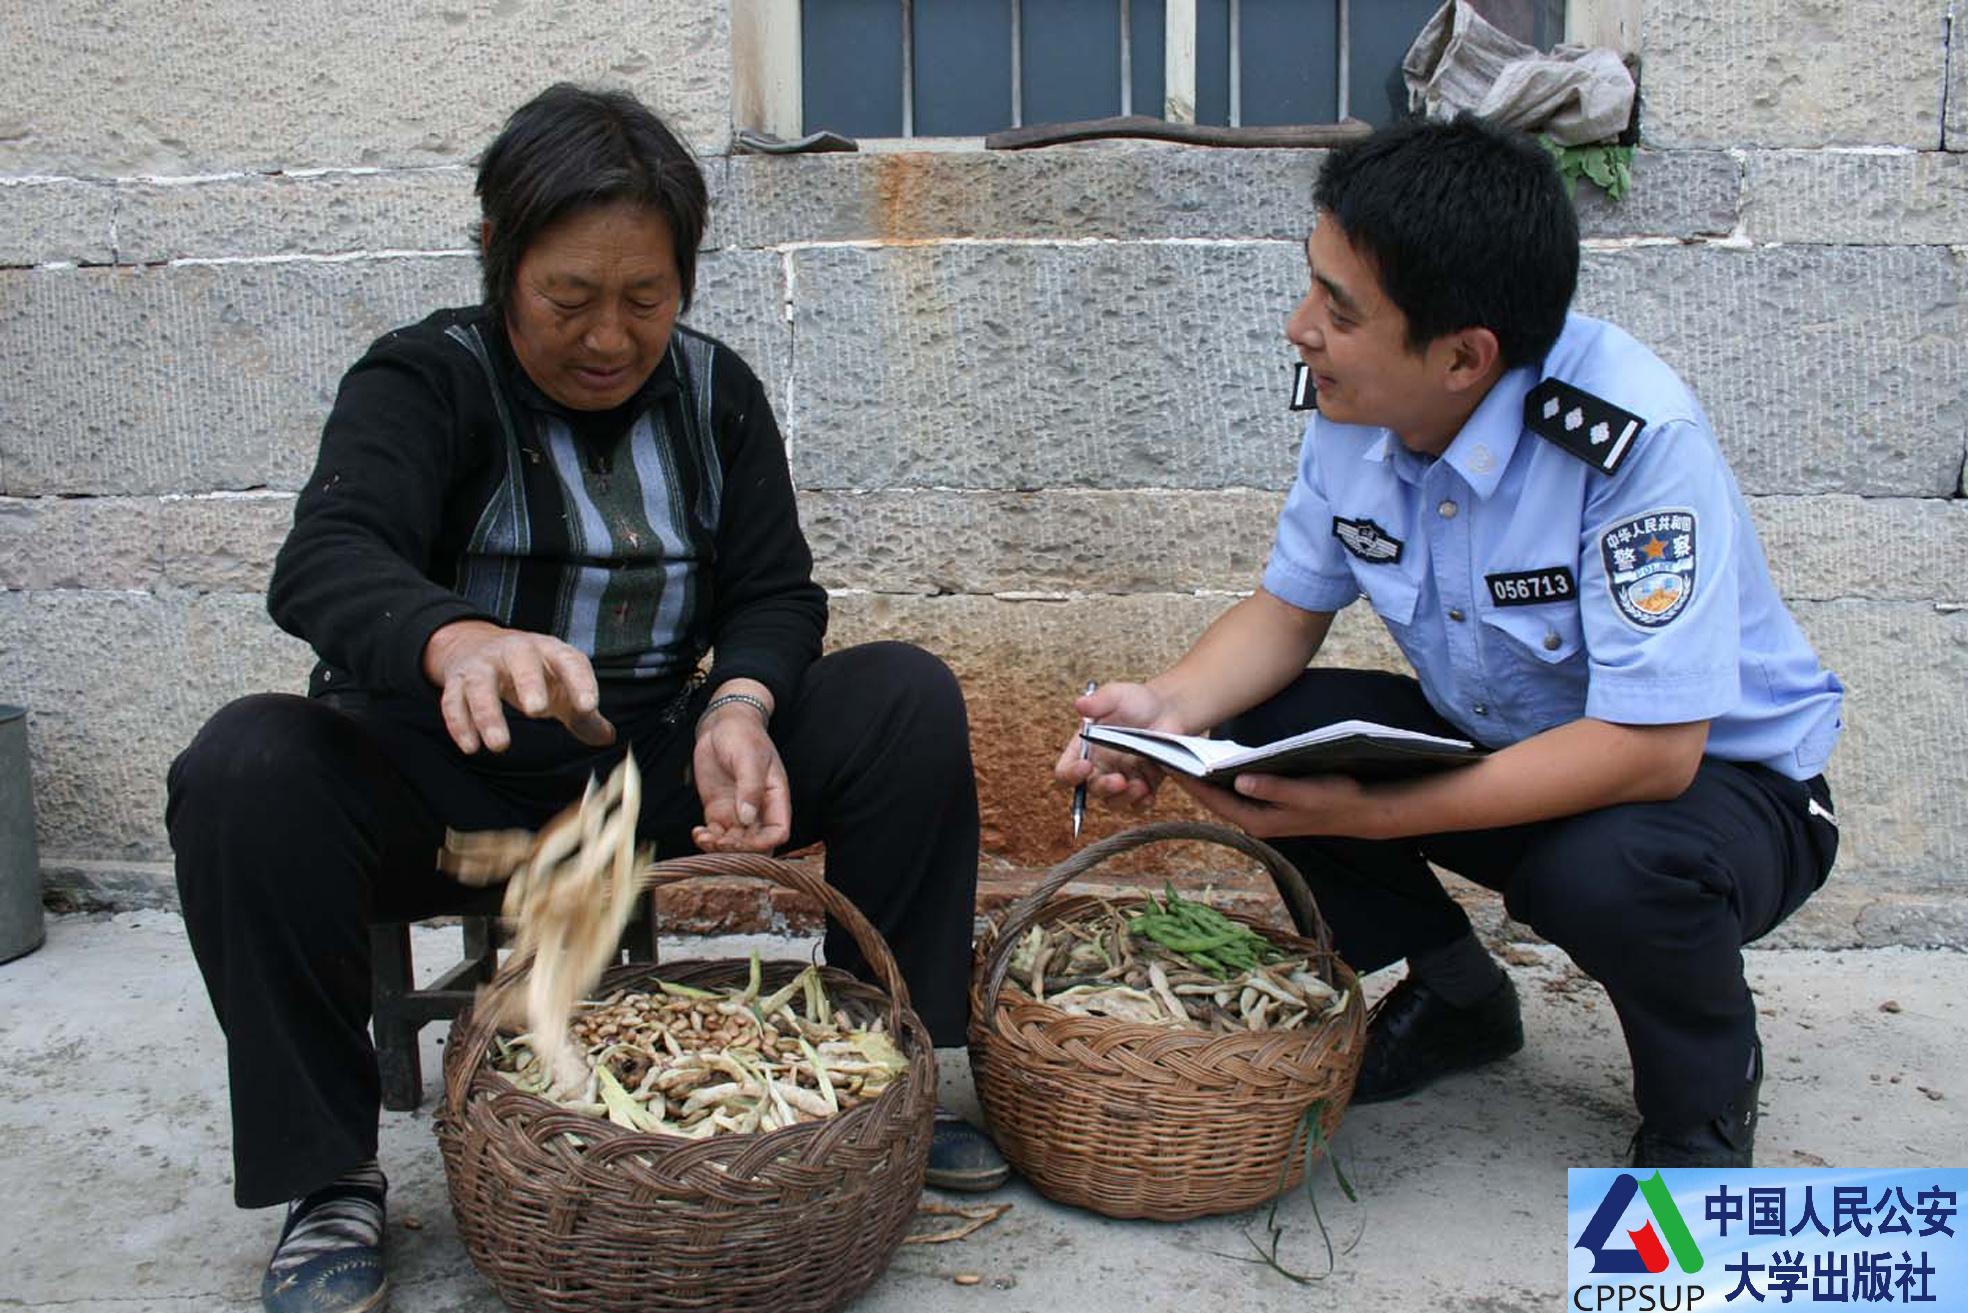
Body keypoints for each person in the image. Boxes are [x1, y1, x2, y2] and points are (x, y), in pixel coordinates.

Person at [168, 84, 1004, 1313]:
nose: (609, 336)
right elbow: (326, 559)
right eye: (570, 298)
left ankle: (889, 1076)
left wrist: (742, 709)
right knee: (243, 769)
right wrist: (452, 640)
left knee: (905, 698)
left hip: (650, 770)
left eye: (646, 300)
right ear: (504, 267)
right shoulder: (422, 381)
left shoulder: (717, 395)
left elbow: (778, 590)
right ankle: (328, 1175)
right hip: (446, 785)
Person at [1056, 115, 1842, 1171]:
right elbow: (1288, 610)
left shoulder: (1630, 441)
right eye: (1310, 285)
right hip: (1515, 750)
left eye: (1338, 311)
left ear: (1465, 355)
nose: (1300, 329)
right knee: (1258, 735)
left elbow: (1654, 749)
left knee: (1606, 871)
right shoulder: (1356, 406)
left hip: (1721, 792)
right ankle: (1463, 997)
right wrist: (1165, 710)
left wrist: (1382, 812)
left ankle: (1702, 1097)